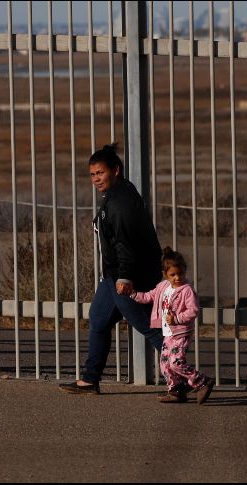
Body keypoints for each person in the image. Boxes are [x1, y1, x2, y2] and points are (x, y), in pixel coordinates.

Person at [59, 143, 164, 394]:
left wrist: (125, 277)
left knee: (150, 328)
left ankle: (188, 378)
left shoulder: (120, 202)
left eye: (100, 173)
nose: (96, 179)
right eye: (93, 174)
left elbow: (125, 243)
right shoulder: (117, 196)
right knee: (98, 319)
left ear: (115, 170)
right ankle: (89, 379)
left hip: (126, 277)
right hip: (113, 277)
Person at [131, 247, 213, 404]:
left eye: (180, 273)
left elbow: (193, 310)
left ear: (185, 271)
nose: (177, 278)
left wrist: (177, 319)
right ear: (165, 274)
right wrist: (133, 294)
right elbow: (148, 296)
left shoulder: (187, 290)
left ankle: (202, 381)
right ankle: (176, 391)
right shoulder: (163, 287)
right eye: (173, 275)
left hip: (181, 332)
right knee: (164, 365)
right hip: (168, 334)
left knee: (176, 363)